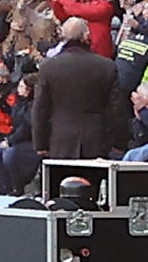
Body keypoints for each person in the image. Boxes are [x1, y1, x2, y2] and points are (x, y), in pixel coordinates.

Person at [35, 29, 130, 164]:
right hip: (95, 139)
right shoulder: (107, 66)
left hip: (60, 139)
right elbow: (117, 108)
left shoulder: (49, 66)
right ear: (86, 37)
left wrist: (40, 143)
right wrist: (120, 142)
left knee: (62, 183)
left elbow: (41, 107)